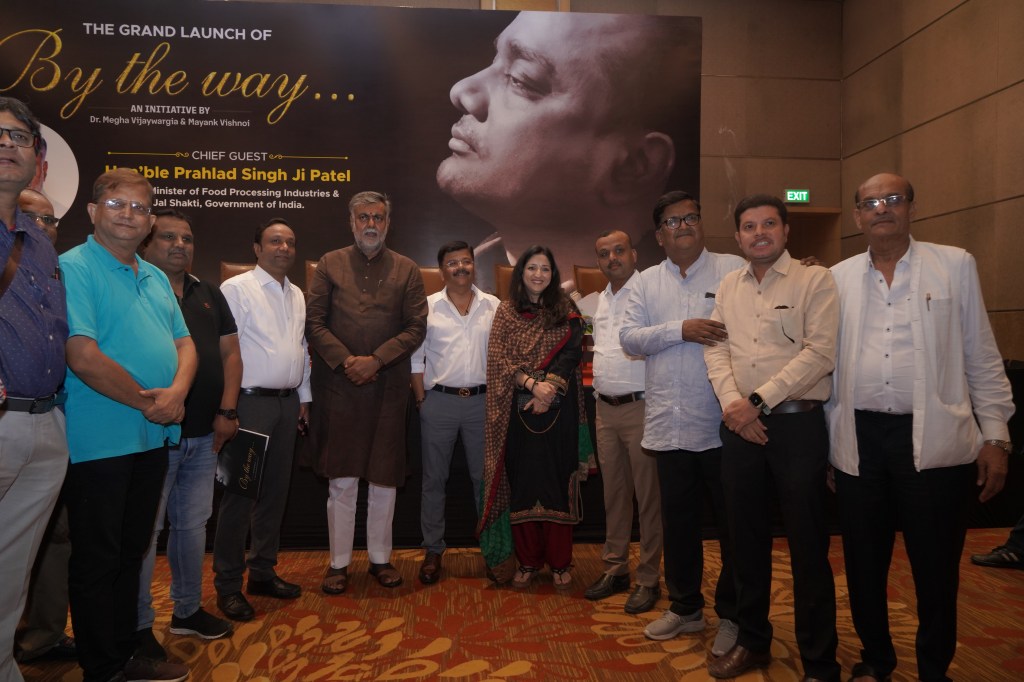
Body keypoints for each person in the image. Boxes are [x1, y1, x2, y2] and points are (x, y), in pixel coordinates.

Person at [828, 173, 1014, 682]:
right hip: (860, 439)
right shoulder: (837, 277)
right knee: (864, 564)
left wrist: (996, 434)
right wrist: (830, 447)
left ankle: (935, 669)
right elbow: (827, 366)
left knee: (935, 567)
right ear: (857, 216)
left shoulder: (954, 265)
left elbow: (980, 354)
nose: (881, 209)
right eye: (870, 202)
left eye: (892, 199)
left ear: (912, 207)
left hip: (934, 441)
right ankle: (876, 660)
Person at [436, 12, 698, 290]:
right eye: (495, 60)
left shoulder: (659, 298)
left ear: (633, 167)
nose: (461, 91)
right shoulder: (463, 289)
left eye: (521, 78)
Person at [61, 167, 196, 682]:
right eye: (117, 204)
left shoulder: (154, 275)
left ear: (150, 220)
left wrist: (177, 393)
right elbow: (82, 356)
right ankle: (102, 667)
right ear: (93, 211)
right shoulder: (73, 267)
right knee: (98, 559)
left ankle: (123, 654)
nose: (129, 215)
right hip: (101, 441)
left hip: (152, 436)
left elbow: (185, 344)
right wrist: (150, 403)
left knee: (130, 552)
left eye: (140, 207)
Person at [703, 194, 839, 681]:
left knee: (808, 546)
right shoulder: (728, 286)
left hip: (797, 426)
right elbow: (716, 350)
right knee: (744, 542)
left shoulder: (815, 280)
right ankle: (753, 641)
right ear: (738, 236)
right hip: (740, 427)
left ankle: (819, 660)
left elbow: (819, 354)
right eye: (748, 226)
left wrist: (756, 402)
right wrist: (733, 406)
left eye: (768, 224)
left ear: (785, 230)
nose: (758, 233)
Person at [619, 191, 741, 650]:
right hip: (669, 426)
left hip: (725, 424)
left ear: (702, 223)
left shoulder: (733, 270)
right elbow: (629, 338)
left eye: (691, 217)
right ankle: (686, 607)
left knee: (733, 528)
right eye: (673, 221)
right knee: (680, 526)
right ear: (659, 235)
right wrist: (681, 330)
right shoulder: (645, 282)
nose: (683, 226)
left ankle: (734, 615)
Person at [306, 191, 427, 594]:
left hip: (387, 387)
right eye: (363, 217)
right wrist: (347, 362)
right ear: (352, 222)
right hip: (339, 388)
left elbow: (415, 327)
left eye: (378, 217)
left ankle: (380, 559)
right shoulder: (329, 263)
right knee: (341, 480)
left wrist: (376, 360)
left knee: (383, 479)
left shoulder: (407, 269)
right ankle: (338, 563)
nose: (371, 224)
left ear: (388, 223)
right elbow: (314, 322)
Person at [134, 209, 240, 658]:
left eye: (187, 239)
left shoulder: (209, 293)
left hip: (202, 436)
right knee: (145, 532)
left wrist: (228, 410)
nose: (180, 245)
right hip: (153, 433)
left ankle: (187, 610)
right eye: (169, 237)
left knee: (193, 527)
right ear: (146, 244)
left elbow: (230, 355)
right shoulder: (137, 288)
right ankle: (139, 625)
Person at [0, 97, 69, 682]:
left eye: (19, 137)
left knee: (11, 571)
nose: (6, 144)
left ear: (38, 158)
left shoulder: (39, 240)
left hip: (46, 425)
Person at [213, 218, 311, 623]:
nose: (284, 248)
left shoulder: (298, 293)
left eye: (290, 242)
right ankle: (227, 585)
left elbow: (301, 348)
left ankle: (263, 572)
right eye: (274, 241)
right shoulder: (237, 289)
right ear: (257, 248)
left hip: (287, 405)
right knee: (240, 495)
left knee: (275, 493)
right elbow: (226, 352)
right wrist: (227, 408)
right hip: (249, 405)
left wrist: (304, 398)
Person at [477, 245, 592, 586]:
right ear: (521, 272)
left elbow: (572, 352)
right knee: (523, 483)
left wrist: (549, 389)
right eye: (532, 268)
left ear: (553, 274)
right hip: (515, 409)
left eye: (545, 268)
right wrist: (531, 385)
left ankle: (560, 563)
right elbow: (497, 358)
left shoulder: (566, 309)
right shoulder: (507, 311)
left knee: (557, 481)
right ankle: (527, 562)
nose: (538, 274)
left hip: (560, 407)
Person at [410, 241, 499, 585]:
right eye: (452, 263)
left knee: (484, 480)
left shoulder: (494, 306)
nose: (460, 267)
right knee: (434, 480)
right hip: (439, 402)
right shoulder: (427, 307)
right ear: (441, 270)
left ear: (474, 265)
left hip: (482, 402)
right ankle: (433, 549)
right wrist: (422, 400)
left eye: (465, 261)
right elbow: (415, 359)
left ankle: (492, 550)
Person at [583, 230, 663, 614]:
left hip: (641, 407)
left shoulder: (650, 292)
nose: (612, 258)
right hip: (604, 408)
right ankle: (615, 569)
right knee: (613, 495)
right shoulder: (598, 300)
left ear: (634, 254)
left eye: (618, 250)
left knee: (648, 498)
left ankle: (648, 578)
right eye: (604, 253)